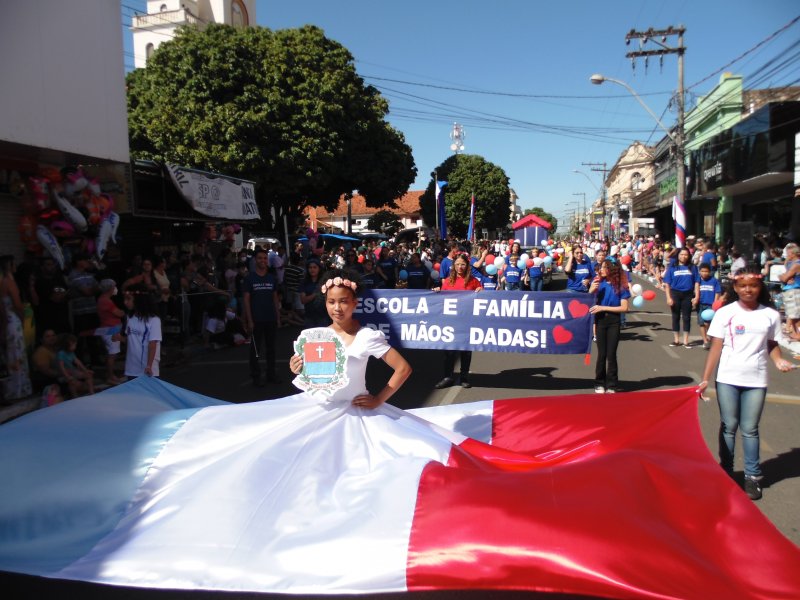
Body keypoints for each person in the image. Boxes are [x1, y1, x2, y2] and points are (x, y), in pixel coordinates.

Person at [698, 267, 796, 500]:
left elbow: (771, 343)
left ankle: (752, 477)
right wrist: (705, 378)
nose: (747, 290)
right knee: (729, 426)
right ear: (735, 287)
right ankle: (726, 471)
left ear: (760, 287)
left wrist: (779, 360)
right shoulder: (725, 313)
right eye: (742, 286)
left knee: (750, 429)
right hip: (728, 378)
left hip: (757, 378)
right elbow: (716, 347)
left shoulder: (770, 314)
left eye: (752, 286)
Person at [289, 268, 411, 409]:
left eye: (343, 301)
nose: (337, 308)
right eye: (331, 302)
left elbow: (403, 368)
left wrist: (378, 400)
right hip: (323, 410)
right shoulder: (316, 337)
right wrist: (297, 368)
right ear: (325, 303)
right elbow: (314, 377)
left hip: (357, 411)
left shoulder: (366, 336)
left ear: (355, 303)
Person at [433, 253, 482, 389]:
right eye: (457, 264)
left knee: (466, 350)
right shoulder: (448, 281)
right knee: (449, 350)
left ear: (467, 266)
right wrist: (437, 292)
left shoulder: (473, 281)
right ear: (453, 266)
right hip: (451, 321)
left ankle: (464, 377)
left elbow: (482, 299)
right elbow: (442, 300)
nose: (460, 267)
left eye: (463, 264)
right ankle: (448, 377)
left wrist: (480, 291)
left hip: (467, 321)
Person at [589, 259, 630, 394]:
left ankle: (612, 384)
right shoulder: (598, 283)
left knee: (611, 354)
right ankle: (599, 383)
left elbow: (624, 307)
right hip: (600, 320)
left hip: (613, 321)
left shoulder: (621, 286)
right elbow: (588, 301)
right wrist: (591, 290)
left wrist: (603, 307)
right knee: (601, 354)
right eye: (600, 267)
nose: (600, 269)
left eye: (604, 267)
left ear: (611, 269)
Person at [243, 248, 281, 387]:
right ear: (255, 260)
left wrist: (278, 317)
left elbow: (275, 298)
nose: (263, 261)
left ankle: (271, 374)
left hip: (270, 318)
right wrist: (249, 320)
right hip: (256, 319)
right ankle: (256, 376)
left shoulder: (272, 278)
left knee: (271, 349)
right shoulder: (249, 279)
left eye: (265, 258)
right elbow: (246, 300)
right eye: (260, 258)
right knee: (255, 350)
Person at [0, 256, 32, 400]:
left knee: (11, 354)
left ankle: (13, 389)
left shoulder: (2, 282)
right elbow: (18, 304)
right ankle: (19, 390)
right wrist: (22, 317)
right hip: (13, 319)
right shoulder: (9, 282)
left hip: (7, 320)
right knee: (17, 354)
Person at [122, 285, 162, 378]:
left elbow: (153, 345)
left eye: (128, 299)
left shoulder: (154, 320)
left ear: (139, 300)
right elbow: (130, 340)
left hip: (148, 369)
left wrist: (149, 366)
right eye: (125, 299)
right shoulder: (129, 318)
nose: (125, 302)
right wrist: (120, 338)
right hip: (131, 368)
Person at [663, 247, 699, 348]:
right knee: (676, 317)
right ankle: (676, 340)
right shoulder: (672, 267)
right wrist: (668, 298)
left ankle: (686, 341)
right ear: (678, 256)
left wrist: (696, 296)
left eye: (686, 255)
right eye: (681, 254)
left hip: (688, 294)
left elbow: (696, 282)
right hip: (675, 294)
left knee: (687, 317)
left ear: (689, 256)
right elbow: (667, 284)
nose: (684, 256)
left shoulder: (693, 267)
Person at [96, 278, 125, 385]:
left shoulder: (104, 299)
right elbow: (119, 313)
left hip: (111, 328)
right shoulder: (106, 301)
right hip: (110, 330)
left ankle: (111, 374)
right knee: (112, 354)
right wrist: (122, 312)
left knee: (113, 353)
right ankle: (110, 376)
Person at [56, 333, 95, 398]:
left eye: (75, 345)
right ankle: (75, 396)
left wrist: (86, 370)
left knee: (89, 375)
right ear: (66, 345)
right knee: (72, 382)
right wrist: (67, 376)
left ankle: (91, 392)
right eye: (73, 345)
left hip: (72, 371)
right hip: (63, 374)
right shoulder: (61, 354)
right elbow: (61, 367)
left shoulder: (71, 352)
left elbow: (78, 362)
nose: (75, 347)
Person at [777, 243, 800, 342]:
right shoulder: (791, 263)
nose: (786, 255)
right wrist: (783, 276)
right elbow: (785, 269)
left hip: (794, 290)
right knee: (792, 314)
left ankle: (798, 334)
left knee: (796, 315)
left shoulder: (796, 264)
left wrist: (783, 276)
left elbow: (785, 277)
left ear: (793, 254)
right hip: (790, 289)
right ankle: (795, 333)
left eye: (788, 253)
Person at [697, 263, 722, 349]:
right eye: (702, 271)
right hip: (700, 304)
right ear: (699, 271)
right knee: (701, 323)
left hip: (710, 305)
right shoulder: (698, 281)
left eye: (706, 271)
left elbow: (717, 292)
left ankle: (709, 336)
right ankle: (705, 341)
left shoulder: (714, 281)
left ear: (710, 272)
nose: (704, 273)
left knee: (708, 323)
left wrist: (715, 304)